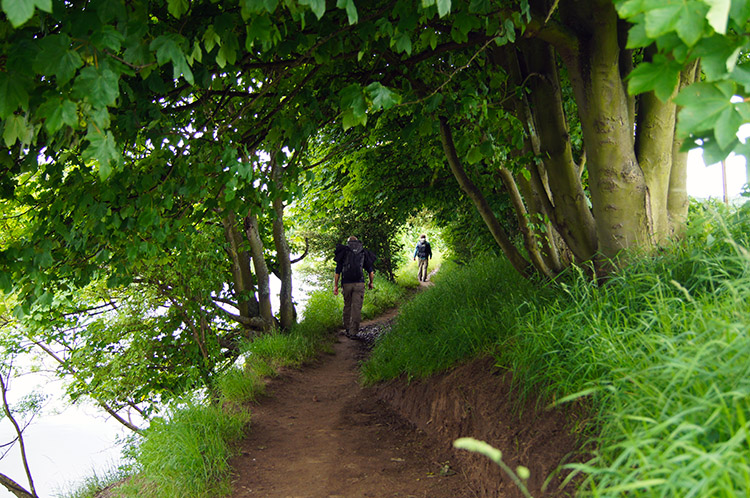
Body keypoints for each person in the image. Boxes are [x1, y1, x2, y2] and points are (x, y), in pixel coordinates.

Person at [333, 236, 375, 338]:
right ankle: (353, 332)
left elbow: (337, 271)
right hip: (359, 284)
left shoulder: (343, 251)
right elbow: (371, 271)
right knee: (356, 308)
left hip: (346, 284)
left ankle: (347, 328)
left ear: (348, 242)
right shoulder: (363, 252)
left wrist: (335, 286)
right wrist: (371, 282)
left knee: (347, 305)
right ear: (357, 242)